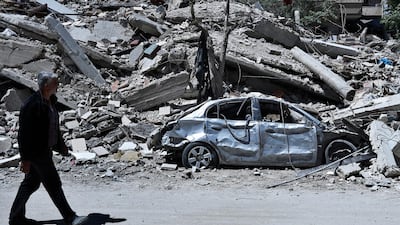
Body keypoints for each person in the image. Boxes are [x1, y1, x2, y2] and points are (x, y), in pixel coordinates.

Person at [9, 72, 87, 225]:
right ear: (46, 85)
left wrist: (61, 147)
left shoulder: (51, 101)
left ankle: (16, 218)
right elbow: (23, 136)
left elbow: (53, 127)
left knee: (31, 183)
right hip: (37, 153)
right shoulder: (31, 106)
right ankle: (70, 217)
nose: (58, 85)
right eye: (55, 82)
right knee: (54, 184)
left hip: (45, 150)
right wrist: (25, 159)